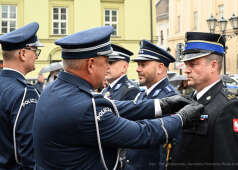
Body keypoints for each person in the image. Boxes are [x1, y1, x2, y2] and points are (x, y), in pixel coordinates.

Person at [33, 26, 204, 170]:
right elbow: (141, 133)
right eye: (106, 61)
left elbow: (112, 106)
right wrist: (181, 118)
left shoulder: (55, 90)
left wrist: (162, 105)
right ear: (91, 64)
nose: (107, 68)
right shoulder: (84, 107)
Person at [168, 32, 238, 170]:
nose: (186, 70)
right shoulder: (190, 101)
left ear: (213, 66)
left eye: (193, 64)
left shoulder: (228, 108)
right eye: (186, 64)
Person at [123, 40, 179, 170]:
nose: (137, 69)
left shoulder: (170, 99)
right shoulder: (141, 95)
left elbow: (166, 148)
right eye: (138, 64)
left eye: (143, 64)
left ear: (160, 67)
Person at [0, 22, 43, 169]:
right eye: (35, 50)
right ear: (23, 54)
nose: (36, 56)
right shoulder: (25, 92)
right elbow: (29, 152)